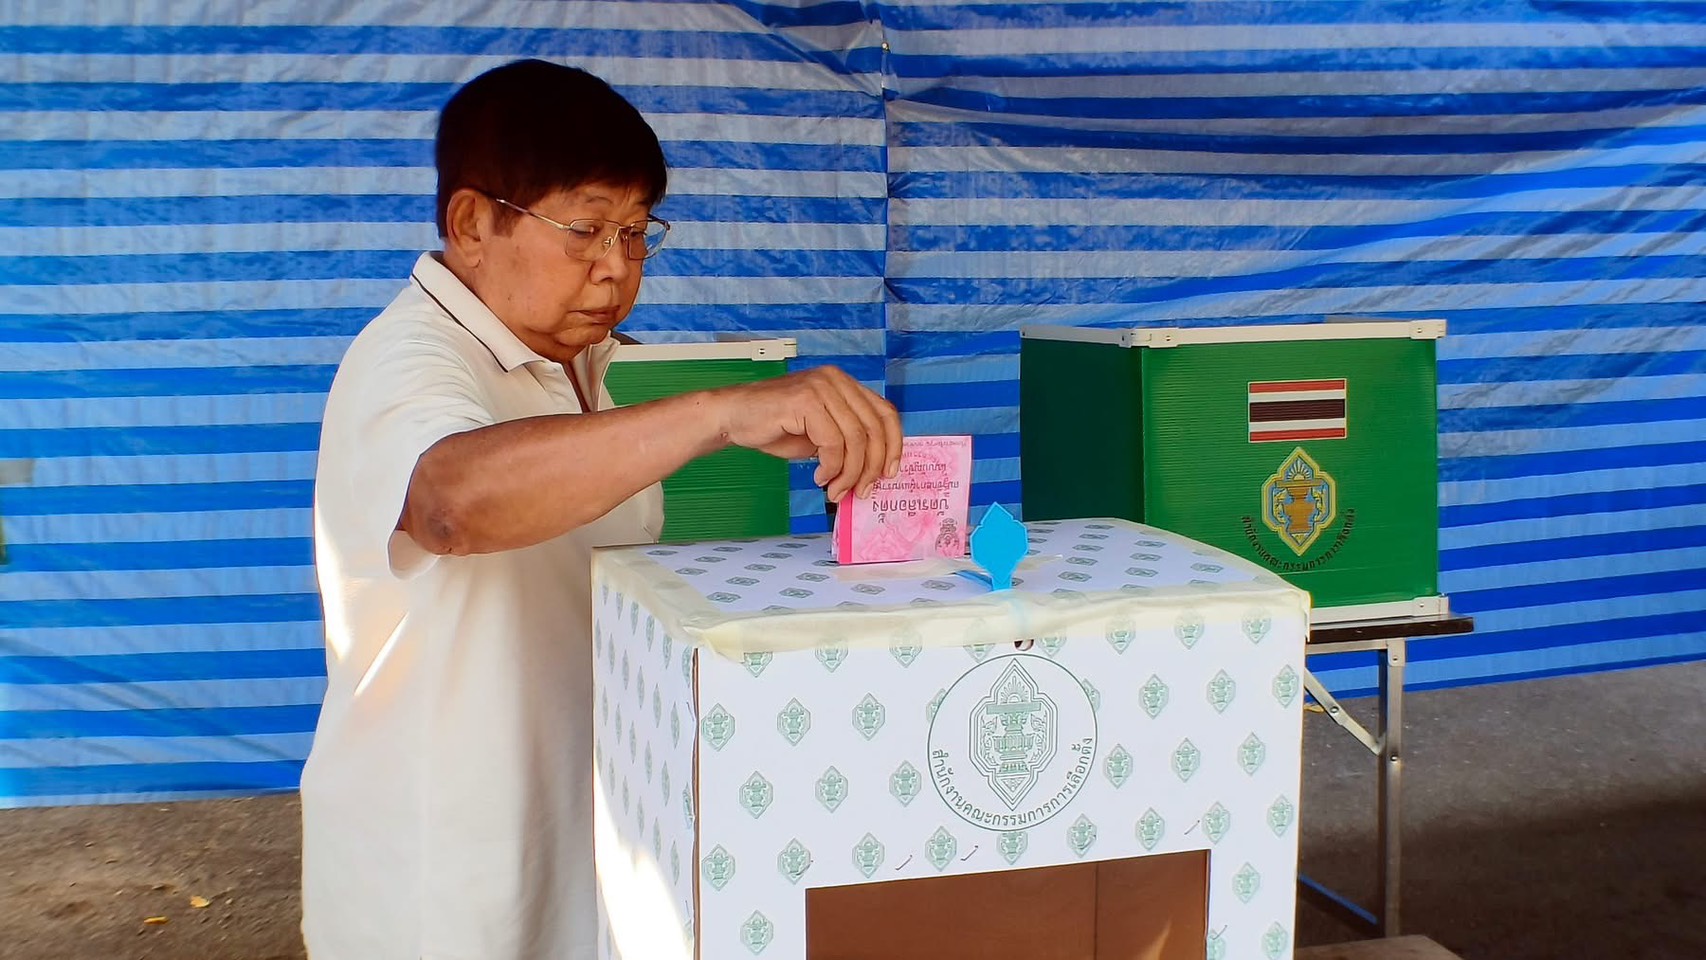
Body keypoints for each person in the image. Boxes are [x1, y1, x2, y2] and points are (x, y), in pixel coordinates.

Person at [299, 59, 900, 960]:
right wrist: (720, 413)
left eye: (635, 233)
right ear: (471, 224)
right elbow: (450, 503)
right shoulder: (409, 358)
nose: (616, 268)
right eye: (584, 231)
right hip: (443, 877)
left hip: (575, 829)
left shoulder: (584, 362)